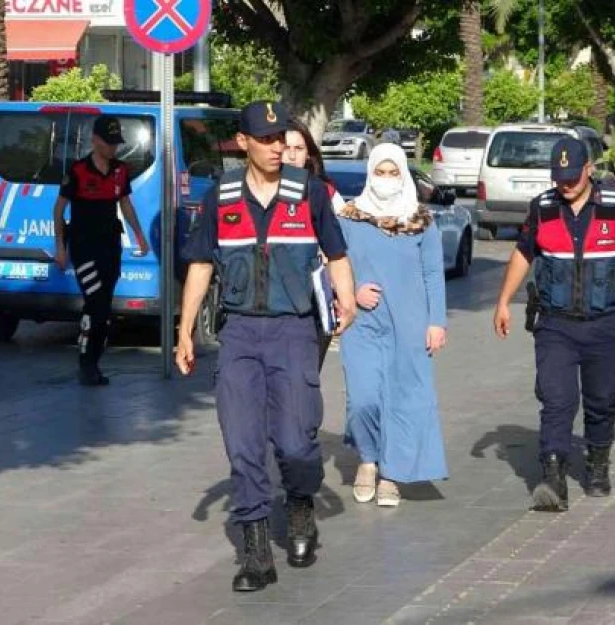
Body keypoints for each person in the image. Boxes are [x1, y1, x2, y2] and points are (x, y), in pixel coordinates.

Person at [175, 100, 357, 592]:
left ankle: (300, 505)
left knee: (297, 442)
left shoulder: (310, 193)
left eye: (282, 140)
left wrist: (346, 300)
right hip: (239, 334)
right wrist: (185, 329)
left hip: (294, 331)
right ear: (244, 143)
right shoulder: (220, 198)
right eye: (268, 140)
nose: (278, 148)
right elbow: (200, 266)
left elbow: (337, 255)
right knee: (243, 444)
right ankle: (255, 553)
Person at [493, 137, 615, 513]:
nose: (565, 184)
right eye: (559, 177)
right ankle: (552, 480)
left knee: (602, 400)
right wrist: (504, 300)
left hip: (606, 324)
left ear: (589, 170)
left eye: (572, 176)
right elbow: (523, 253)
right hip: (556, 325)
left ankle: (598, 465)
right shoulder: (543, 209)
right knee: (556, 401)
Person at [336, 143, 449, 508]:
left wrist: (436, 322)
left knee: (403, 399)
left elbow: (433, 273)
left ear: (404, 175)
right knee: (364, 399)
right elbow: (333, 264)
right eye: (380, 172)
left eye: (393, 172)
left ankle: (392, 473)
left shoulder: (420, 221)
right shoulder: (350, 218)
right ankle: (367, 459)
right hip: (364, 323)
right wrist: (352, 292)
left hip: (410, 322)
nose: (386, 180)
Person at [52, 115, 150, 386]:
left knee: (104, 307)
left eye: (116, 143)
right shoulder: (78, 171)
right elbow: (59, 209)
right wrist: (61, 246)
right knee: (94, 302)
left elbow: (125, 204)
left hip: (110, 246)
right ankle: (86, 362)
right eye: (108, 143)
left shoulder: (120, 170)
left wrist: (139, 235)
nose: (113, 148)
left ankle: (94, 362)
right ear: (95, 141)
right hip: (84, 247)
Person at [283, 118, 347, 366]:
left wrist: (344, 296)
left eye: (298, 149)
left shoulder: (325, 193)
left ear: (309, 155)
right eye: (286, 148)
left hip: (314, 301)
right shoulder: (258, 192)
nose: (291, 156)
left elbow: (342, 250)